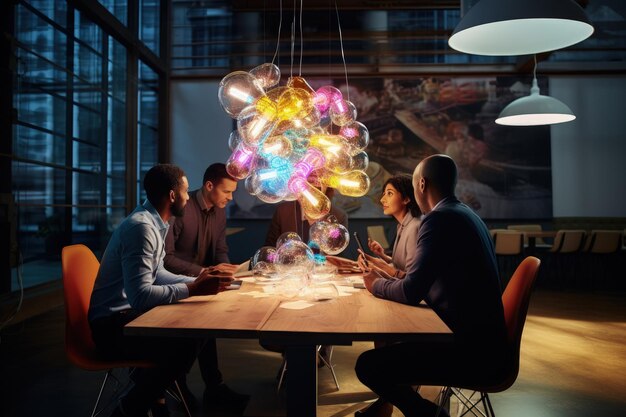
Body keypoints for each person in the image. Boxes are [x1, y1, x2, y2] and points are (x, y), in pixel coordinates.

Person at [354, 154, 508, 417]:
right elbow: (420, 279)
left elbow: (411, 291)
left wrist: (375, 284)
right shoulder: (465, 213)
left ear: (421, 184)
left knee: (368, 365)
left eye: (414, 186)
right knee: (394, 349)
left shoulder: (438, 220)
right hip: (486, 342)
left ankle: (429, 414)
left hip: (469, 351)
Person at [88, 164, 234, 417]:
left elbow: (158, 274)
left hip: (128, 317)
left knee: (197, 328)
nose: (189, 197)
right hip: (111, 328)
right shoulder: (142, 228)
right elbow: (141, 296)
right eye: (186, 191)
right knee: (187, 342)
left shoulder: (154, 223)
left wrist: (201, 278)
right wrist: (192, 289)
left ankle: (155, 397)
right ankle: (129, 407)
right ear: (173, 195)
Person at [163, 162, 247, 409]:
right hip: (176, 284)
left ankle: (213, 386)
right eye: (227, 192)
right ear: (209, 186)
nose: (230, 198)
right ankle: (179, 384)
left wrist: (227, 271)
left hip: (201, 281)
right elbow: (166, 259)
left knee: (208, 326)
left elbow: (220, 250)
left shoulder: (219, 212)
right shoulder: (181, 209)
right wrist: (205, 272)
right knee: (202, 328)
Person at [329, 174, 421, 280]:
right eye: (384, 194)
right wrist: (382, 256)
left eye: (389, 194)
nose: (382, 200)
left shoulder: (414, 227)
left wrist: (378, 266)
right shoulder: (402, 225)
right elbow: (399, 266)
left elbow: (410, 277)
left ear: (406, 199)